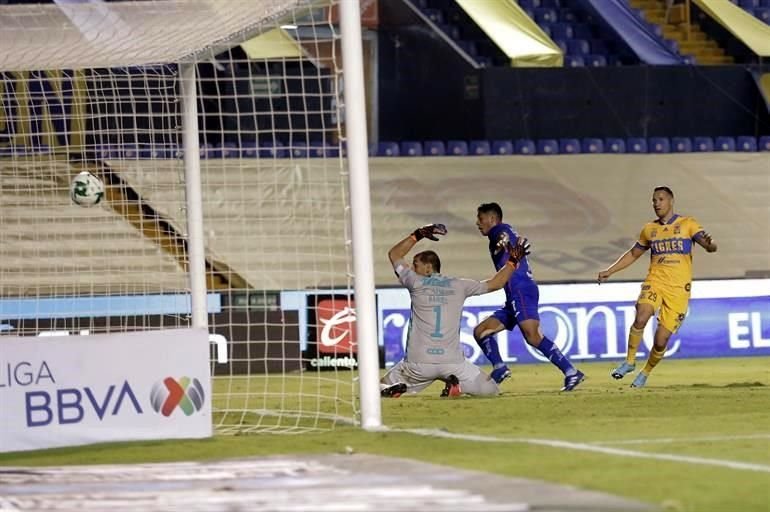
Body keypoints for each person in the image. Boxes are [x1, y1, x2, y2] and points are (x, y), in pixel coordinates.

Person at [380, 223, 529, 398]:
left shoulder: (414, 282)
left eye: (415, 264)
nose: (412, 269)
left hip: (418, 364)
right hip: (452, 363)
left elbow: (394, 254)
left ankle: (393, 388)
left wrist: (417, 235)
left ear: (428, 268)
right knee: (491, 390)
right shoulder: (460, 285)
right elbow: (495, 284)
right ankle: (457, 387)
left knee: (376, 387)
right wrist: (512, 262)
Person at [598, 186, 717, 388]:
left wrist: (710, 245)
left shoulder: (688, 224)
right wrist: (610, 270)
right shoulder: (649, 229)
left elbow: (706, 244)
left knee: (661, 340)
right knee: (642, 315)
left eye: (660, 199)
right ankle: (629, 361)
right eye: (654, 200)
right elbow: (634, 253)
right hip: (655, 281)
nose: (656, 203)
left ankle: (645, 373)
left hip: (679, 290)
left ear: (671, 201)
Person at [473, 202, 586, 392]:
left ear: (492, 219)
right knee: (481, 332)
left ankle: (571, 371)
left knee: (533, 336)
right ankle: (499, 368)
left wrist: (505, 242)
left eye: (480, 218)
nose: (477, 223)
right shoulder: (498, 234)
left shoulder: (500, 230)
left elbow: (507, 237)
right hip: (513, 294)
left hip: (521, 289)